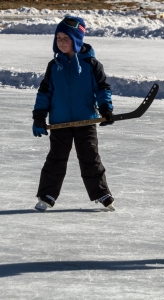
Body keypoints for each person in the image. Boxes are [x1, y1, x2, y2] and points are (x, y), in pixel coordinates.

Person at [32, 16, 115, 212]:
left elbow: (102, 88)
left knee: (90, 157)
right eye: (58, 37)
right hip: (60, 122)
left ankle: (101, 192)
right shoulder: (54, 66)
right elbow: (45, 93)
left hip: (85, 121)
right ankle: (47, 195)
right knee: (56, 159)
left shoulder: (91, 64)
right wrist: (38, 116)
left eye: (65, 38)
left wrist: (105, 109)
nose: (60, 42)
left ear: (77, 39)